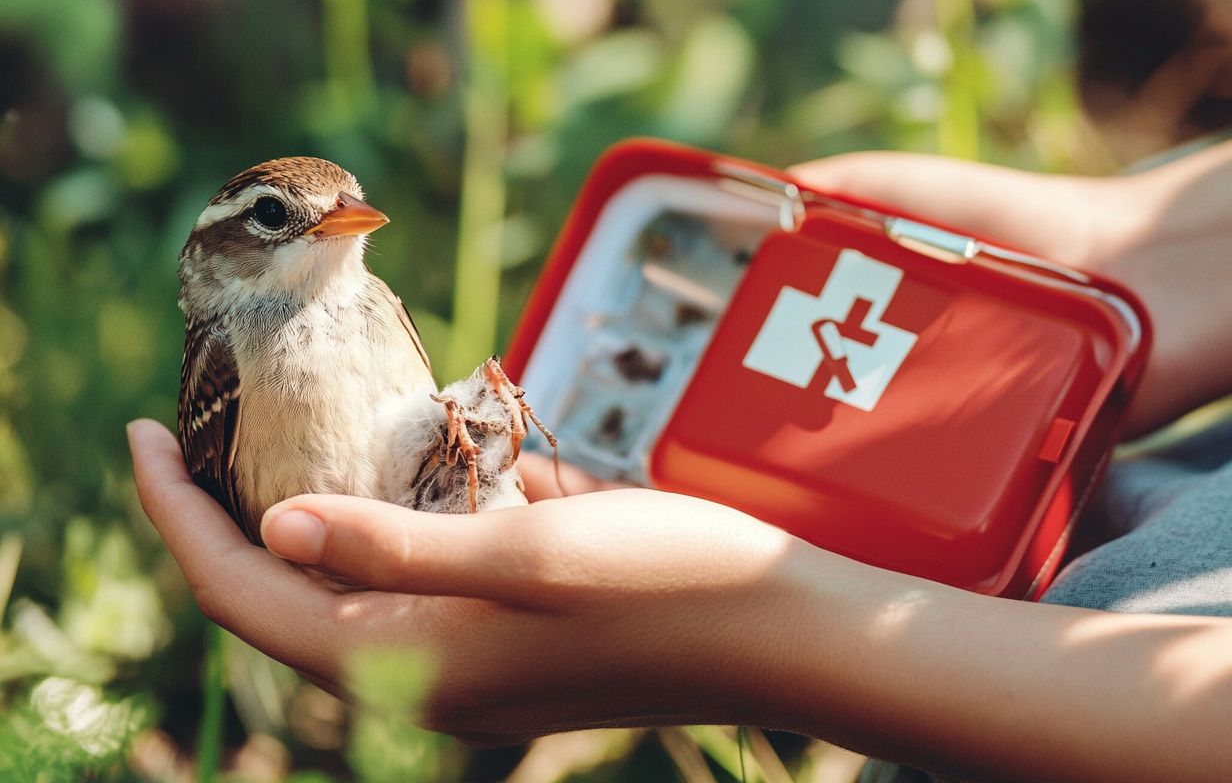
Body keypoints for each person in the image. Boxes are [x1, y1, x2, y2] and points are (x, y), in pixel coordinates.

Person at [129, 141, 1232, 783]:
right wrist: (1134, 240)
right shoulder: (228, 350)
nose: (342, 226)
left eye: (340, 210)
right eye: (282, 222)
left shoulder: (367, 296)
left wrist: (759, 624)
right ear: (225, 252)